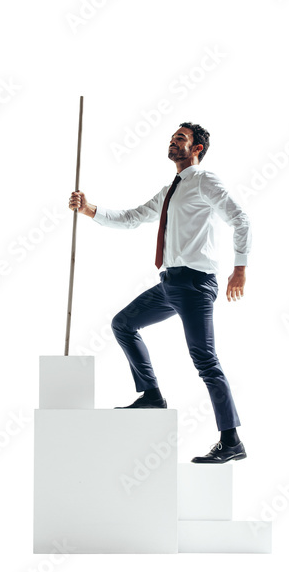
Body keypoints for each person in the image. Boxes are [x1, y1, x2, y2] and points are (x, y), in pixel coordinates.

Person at [68, 122, 251, 464]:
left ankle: (231, 440)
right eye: (171, 138)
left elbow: (240, 218)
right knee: (123, 323)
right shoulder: (171, 190)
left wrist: (239, 268)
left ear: (196, 148)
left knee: (206, 361)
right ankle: (151, 395)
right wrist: (89, 209)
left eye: (180, 138)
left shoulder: (204, 181)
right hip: (170, 284)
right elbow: (134, 217)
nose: (173, 142)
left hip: (195, 284)